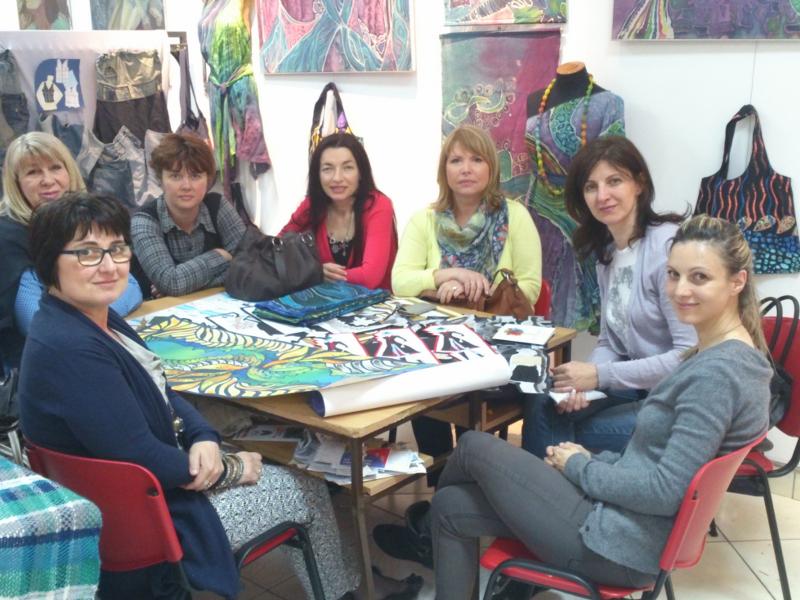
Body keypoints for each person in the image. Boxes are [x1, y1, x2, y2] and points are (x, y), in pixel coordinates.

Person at [19, 193, 360, 600]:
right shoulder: (71, 349)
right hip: (152, 520)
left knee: (251, 449)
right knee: (307, 486)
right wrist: (233, 468)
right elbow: (141, 458)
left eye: (117, 248)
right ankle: (343, 593)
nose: (109, 265)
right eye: (88, 253)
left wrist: (203, 435)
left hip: (139, 499)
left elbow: (160, 388)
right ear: (49, 261)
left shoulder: (88, 318)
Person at [429, 214, 771, 600]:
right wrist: (594, 461)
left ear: (737, 281)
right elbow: (654, 462)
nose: (680, 290)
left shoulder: (717, 375)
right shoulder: (728, 355)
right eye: (673, 275)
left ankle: (425, 535)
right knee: (449, 505)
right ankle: (431, 535)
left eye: (700, 277)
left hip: (619, 545)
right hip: (625, 523)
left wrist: (581, 467)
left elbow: (664, 491)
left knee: (472, 445)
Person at [522, 136, 696, 458]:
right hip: (636, 387)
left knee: (565, 431)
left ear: (639, 184)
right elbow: (611, 342)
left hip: (677, 399)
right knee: (544, 399)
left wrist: (599, 376)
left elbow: (687, 357)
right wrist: (583, 382)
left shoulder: (668, 249)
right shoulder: (607, 253)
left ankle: (544, 483)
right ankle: (551, 481)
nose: (602, 195)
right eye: (591, 186)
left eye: (614, 181)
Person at [391, 123, 542, 477]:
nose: (466, 169)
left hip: (496, 344)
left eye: (476, 159)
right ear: (444, 169)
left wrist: (477, 293)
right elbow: (400, 281)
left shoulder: (515, 216)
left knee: (458, 385)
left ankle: (473, 473)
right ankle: (441, 476)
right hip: (439, 345)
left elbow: (531, 288)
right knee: (417, 374)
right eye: (456, 160)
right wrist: (445, 278)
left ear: (491, 166)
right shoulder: (425, 220)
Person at [0, 132, 141, 371]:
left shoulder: (84, 218)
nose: (48, 180)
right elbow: (35, 321)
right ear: (16, 183)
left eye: (56, 167)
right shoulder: (7, 235)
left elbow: (132, 288)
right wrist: (98, 308)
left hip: (94, 344)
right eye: (33, 172)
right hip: (41, 364)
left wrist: (91, 309)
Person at [130, 132, 246, 298]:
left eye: (195, 176)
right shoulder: (144, 221)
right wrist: (221, 255)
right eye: (175, 176)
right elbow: (172, 283)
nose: (186, 186)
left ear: (208, 179)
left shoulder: (218, 206)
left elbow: (249, 263)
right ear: (160, 180)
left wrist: (184, 285)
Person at [280, 132, 397, 290]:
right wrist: (312, 271)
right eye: (327, 169)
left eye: (347, 168)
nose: (337, 178)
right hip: (324, 300)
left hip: (374, 302)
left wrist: (315, 275)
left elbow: (370, 277)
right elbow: (276, 248)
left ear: (360, 172)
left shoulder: (379, 205)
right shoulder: (312, 205)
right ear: (317, 175)